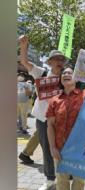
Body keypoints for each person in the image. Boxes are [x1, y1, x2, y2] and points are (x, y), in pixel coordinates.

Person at [18, 35, 67, 190]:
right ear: (50, 62)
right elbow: (24, 62)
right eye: (56, 59)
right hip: (41, 118)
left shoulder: (66, 77)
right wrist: (24, 46)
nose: (59, 61)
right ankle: (50, 179)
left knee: (61, 148)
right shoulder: (42, 73)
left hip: (59, 120)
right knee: (46, 149)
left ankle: (65, 174)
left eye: (61, 59)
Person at [47, 66, 85, 190]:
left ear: (76, 78)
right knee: (61, 181)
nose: (66, 74)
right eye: (64, 73)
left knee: (79, 181)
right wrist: (52, 147)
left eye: (70, 72)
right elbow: (50, 126)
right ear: (60, 79)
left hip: (79, 148)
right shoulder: (54, 100)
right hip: (60, 148)